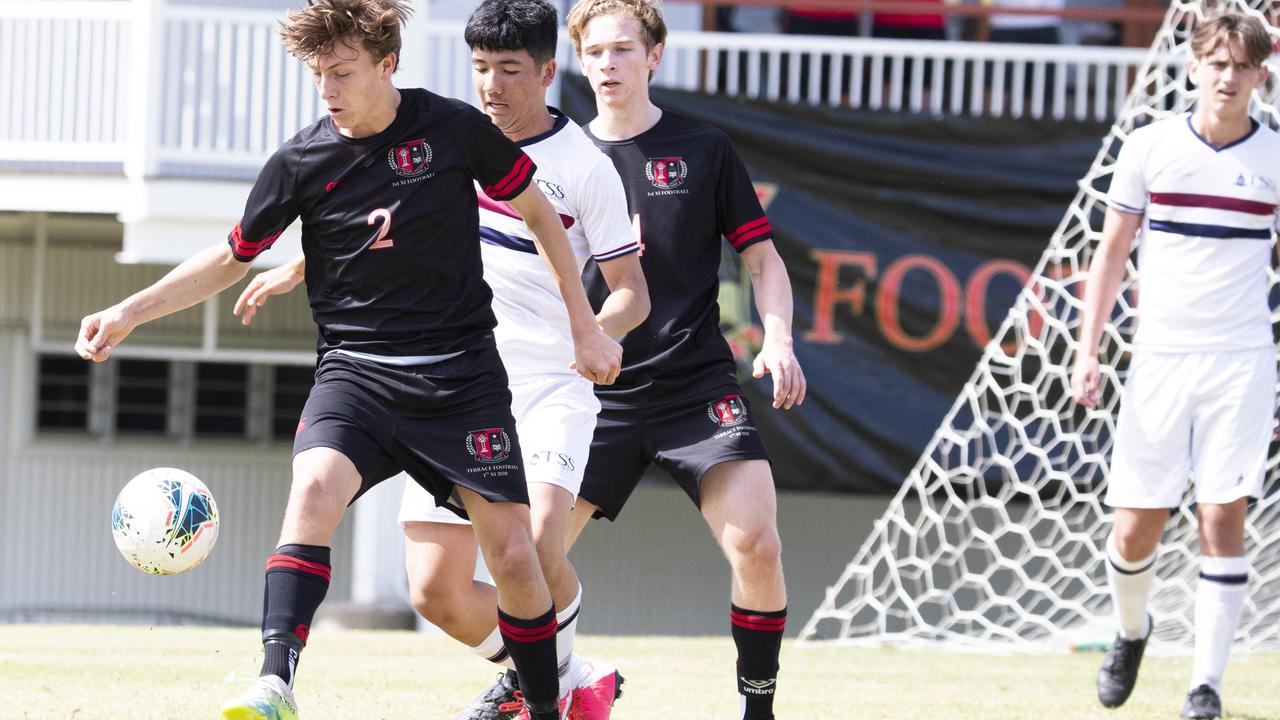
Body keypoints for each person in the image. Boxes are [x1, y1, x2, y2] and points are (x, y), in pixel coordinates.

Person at [75, 2, 622, 719]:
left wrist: (585, 324)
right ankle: (274, 683)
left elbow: (538, 212)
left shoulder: (453, 129)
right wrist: (129, 311)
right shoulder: (301, 159)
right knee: (312, 494)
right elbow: (229, 257)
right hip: (356, 374)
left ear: (386, 64)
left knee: (517, 558)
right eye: (317, 75)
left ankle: (550, 707)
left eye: (341, 72)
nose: (327, 88)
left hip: (459, 379)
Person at [234, 2, 649, 718]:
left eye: (509, 71)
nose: (491, 85)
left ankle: (542, 689)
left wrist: (593, 334)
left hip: (548, 385)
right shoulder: (450, 135)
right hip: (450, 378)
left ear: (548, 73)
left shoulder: (583, 167)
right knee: (434, 591)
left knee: (532, 551)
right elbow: (392, 225)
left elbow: (633, 293)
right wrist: (301, 263)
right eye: (480, 68)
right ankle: (564, 676)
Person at [568, 2, 806, 718]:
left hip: (693, 387)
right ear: (579, 60)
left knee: (758, 546)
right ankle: (536, 681)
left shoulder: (704, 149)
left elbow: (762, 259)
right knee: (526, 560)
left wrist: (780, 337)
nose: (608, 64)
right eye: (595, 52)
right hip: (590, 391)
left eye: (623, 50)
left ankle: (756, 707)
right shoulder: (556, 160)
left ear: (655, 56)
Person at [1071, 12, 1277, 720]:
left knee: (1222, 514)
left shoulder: (1274, 157)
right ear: (1193, 68)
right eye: (1217, 63)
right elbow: (1110, 254)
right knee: (1135, 530)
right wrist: (1086, 351)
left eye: (1242, 66)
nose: (1229, 77)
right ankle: (1132, 631)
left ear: (1261, 75)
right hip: (1159, 356)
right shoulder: (1150, 146)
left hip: (1242, 359)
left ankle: (1206, 688)